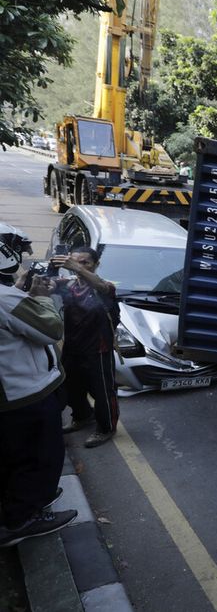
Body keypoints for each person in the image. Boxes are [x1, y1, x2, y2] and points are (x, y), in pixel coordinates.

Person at [0, 224, 77, 547]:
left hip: (13, 394)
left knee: (16, 457)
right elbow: (50, 330)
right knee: (39, 456)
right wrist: (42, 298)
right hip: (24, 394)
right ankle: (22, 519)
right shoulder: (5, 298)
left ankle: (22, 503)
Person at [52, 247, 120, 448]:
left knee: (103, 392)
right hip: (73, 346)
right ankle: (82, 416)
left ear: (96, 264)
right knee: (71, 387)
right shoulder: (68, 285)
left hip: (98, 349)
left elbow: (103, 286)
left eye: (85, 262)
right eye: (75, 262)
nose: (79, 266)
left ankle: (106, 428)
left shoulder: (104, 286)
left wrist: (75, 267)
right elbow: (44, 285)